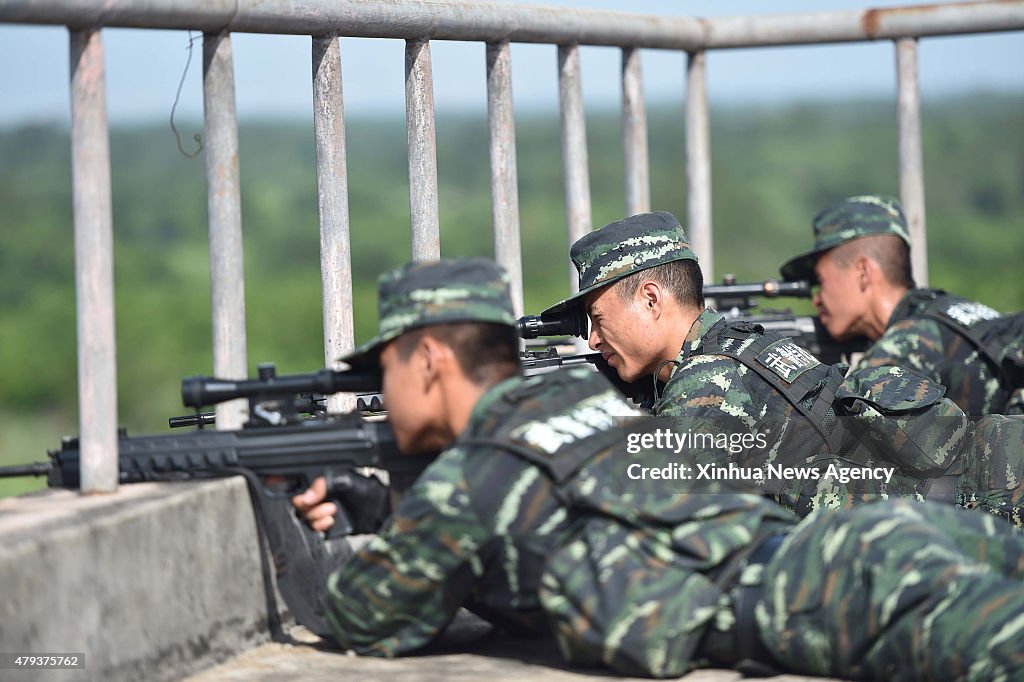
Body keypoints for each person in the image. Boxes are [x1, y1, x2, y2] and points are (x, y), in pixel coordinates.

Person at [293, 255, 1024, 680]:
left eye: (382, 369)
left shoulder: (477, 472)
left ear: (428, 361)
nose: (381, 394)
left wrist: (388, 511)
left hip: (823, 591)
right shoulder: (574, 398)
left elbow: (370, 615)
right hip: (861, 544)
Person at [539, 211, 1024, 523]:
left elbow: (644, 509)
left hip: (996, 498)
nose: (594, 338)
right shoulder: (740, 347)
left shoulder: (711, 384)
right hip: (996, 465)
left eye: (599, 321)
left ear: (650, 299)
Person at [780, 194, 1023, 415]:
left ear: (863, 272)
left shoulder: (901, 349)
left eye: (821, 281)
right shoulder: (947, 311)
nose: (816, 298)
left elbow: (844, 442)